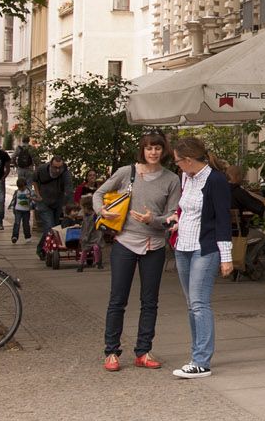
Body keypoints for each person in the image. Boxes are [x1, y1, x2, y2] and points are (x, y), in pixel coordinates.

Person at [92, 133, 181, 372]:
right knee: (117, 299)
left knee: (150, 301)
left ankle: (143, 351)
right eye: (149, 148)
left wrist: (155, 219)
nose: (153, 153)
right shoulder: (126, 172)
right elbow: (98, 193)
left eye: (158, 149)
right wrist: (102, 211)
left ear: (164, 151)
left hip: (154, 245)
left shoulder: (172, 179)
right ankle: (111, 351)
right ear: (142, 150)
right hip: (125, 243)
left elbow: (173, 215)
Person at [170, 136, 234, 378]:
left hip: (204, 247)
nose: (176, 165)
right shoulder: (187, 177)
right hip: (183, 246)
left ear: (188, 160)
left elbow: (222, 219)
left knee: (199, 303)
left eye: (178, 161)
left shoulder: (215, 180)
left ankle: (201, 361)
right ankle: (196, 354)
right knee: (191, 305)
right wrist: (175, 221)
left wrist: (226, 257)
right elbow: (185, 209)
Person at [33, 156, 73, 242]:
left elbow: (68, 190)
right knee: (49, 227)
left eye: (60, 168)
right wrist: (37, 194)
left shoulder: (65, 173)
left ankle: (48, 249)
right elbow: (34, 180)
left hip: (58, 202)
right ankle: (44, 250)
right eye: (55, 168)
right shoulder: (42, 169)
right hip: (44, 202)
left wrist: (68, 208)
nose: (58, 170)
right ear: (50, 165)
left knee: (55, 228)